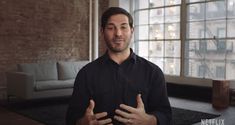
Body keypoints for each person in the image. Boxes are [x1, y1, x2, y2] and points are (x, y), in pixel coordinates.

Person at [66, 7, 172, 125]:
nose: (118, 33)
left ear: (132, 30)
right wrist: (83, 123)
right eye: (111, 28)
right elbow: (71, 118)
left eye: (123, 27)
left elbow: (165, 114)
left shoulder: (153, 72)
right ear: (102, 31)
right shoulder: (86, 74)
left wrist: (149, 120)